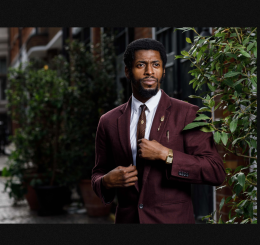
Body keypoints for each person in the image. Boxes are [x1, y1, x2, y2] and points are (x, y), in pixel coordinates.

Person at [91, 38, 226, 224]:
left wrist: (167, 155)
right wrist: (106, 181)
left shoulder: (188, 114)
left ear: (163, 71)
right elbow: (98, 173)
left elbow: (215, 171)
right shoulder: (108, 121)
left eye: (156, 65)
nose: (149, 71)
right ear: (127, 71)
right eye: (141, 65)